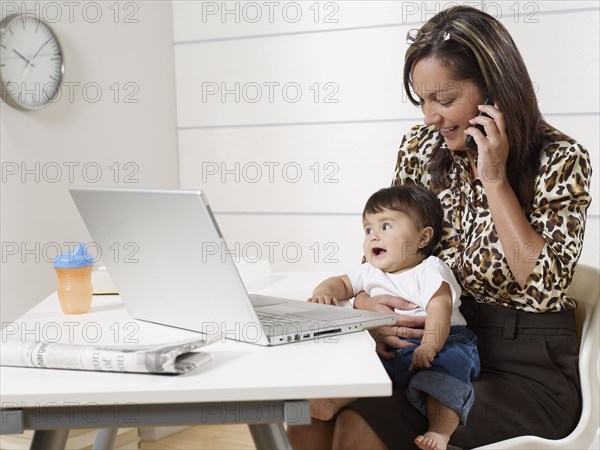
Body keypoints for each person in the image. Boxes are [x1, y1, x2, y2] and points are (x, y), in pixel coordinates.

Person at [287, 5, 592, 450]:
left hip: (524, 369)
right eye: (422, 100)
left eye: (445, 100)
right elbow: (387, 249)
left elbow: (543, 282)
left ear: (495, 91)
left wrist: (494, 180)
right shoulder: (419, 147)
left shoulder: (562, 160)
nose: (430, 116)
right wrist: (368, 307)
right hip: (429, 348)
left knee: (359, 425)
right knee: (306, 413)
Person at [307, 185, 480, 450]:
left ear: (423, 238)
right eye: (368, 229)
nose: (374, 236)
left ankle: (440, 430)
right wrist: (323, 291)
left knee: (447, 375)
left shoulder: (429, 269)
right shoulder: (369, 271)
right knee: (361, 370)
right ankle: (331, 402)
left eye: (386, 226)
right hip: (390, 349)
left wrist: (431, 345)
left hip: (441, 341)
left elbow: (439, 308)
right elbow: (341, 283)